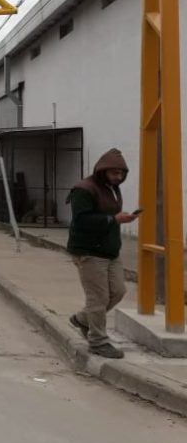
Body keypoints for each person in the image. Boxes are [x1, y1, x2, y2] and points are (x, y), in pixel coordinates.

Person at [66, 148, 138, 359]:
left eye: (121, 173)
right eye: (114, 172)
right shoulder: (84, 189)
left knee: (118, 291)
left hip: (110, 251)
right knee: (98, 298)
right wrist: (114, 220)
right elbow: (82, 220)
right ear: (102, 170)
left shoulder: (112, 188)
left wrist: (120, 219)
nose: (118, 176)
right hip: (89, 252)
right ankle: (98, 341)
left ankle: (82, 319)